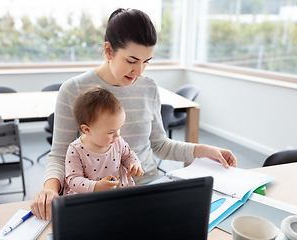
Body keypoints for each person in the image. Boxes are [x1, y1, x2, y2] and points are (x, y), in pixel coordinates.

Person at [31, 8, 237, 220]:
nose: (138, 72)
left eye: (146, 62)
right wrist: (50, 189)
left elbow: (160, 145)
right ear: (109, 51)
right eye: (131, 61)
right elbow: (59, 155)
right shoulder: (73, 89)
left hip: (146, 188)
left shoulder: (148, 88)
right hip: (95, 196)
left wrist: (204, 150)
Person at [64, 86, 143, 195]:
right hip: (90, 199)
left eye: (119, 128)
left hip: (120, 194)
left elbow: (129, 155)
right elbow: (73, 180)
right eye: (111, 132)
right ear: (87, 129)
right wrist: (96, 186)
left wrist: (134, 164)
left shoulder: (118, 141)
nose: (117, 135)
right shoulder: (76, 150)